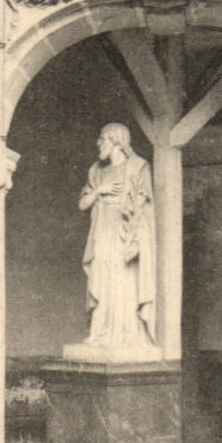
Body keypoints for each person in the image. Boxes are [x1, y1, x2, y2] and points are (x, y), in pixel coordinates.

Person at [79, 122, 157, 350]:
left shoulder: (138, 167)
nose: (98, 144)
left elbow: (144, 207)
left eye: (102, 139)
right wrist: (99, 191)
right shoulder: (97, 171)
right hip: (103, 231)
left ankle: (127, 335)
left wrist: (135, 233)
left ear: (115, 141)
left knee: (124, 281)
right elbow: (83, 204)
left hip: (126, 233)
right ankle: (99, 333)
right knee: (101, 280)